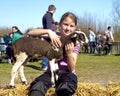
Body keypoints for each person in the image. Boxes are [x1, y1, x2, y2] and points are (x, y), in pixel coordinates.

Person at [28, 12, 80, 96]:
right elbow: (30, 33)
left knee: (65, 89)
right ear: (60, 24)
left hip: (67, 74)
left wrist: (69, 54)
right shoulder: (53, 36)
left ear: (75, 28)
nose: (68, 28)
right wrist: (49, 31)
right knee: (37, 86)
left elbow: (71, 68)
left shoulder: (75, 43)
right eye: (65, 24)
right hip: (50, 73)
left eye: (71, 26)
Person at [41, 4, 56, 70]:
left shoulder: (47, 15)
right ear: (53, 9)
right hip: (49, 35)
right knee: (47, 50)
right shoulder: (48, 16)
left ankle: (47, 64)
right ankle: (44, 65)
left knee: (49, 50)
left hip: (48, 34)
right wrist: (50, 34)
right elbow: (48, 26)